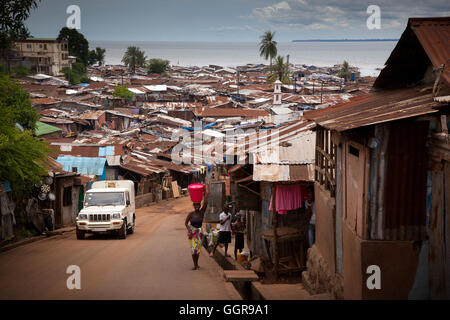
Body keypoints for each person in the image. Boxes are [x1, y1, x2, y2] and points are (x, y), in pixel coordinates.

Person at [185, 185, 209, 270]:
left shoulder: (201, 212)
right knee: (193, 249)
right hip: (192, 233)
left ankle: (197, 263)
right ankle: (194, 265)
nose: (197, 206)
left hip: (199, 232)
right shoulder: (190, 214)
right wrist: (190, 231)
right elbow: (186, 223)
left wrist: (206, 192)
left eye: (198, 205)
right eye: (195, 205)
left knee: (198, 249)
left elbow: (205, 203)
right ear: (193, 205)